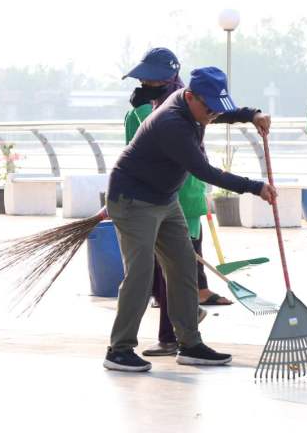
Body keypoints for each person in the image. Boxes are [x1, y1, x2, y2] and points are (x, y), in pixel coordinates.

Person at [104, 65, 276, 372]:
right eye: (208, 108)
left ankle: (190, 344)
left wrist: (252, 114)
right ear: (191, 96)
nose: (212, 115)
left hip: (165, 199)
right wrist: (255, 187)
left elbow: (223, 112)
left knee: (185, 268)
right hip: (132, 199)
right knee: (141, 275)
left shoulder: (198, 108)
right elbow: (206, 172)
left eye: (215, 109)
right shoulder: (172, 123)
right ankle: (119, 349)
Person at [120, 48, 232, 359]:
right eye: (142, 77)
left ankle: (175, 335)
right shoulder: (185, 105)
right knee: (174, 271)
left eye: (149, 77)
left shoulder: (152, 112)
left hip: (170, 200)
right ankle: (182, 328)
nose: (144, 82)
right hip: (176, 198)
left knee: (167, 273)